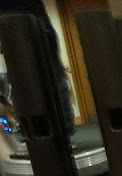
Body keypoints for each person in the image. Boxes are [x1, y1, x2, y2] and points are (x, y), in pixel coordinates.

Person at [0, 0, 76, 138]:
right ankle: (37, 134)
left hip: (33, 25)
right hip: (12, 28)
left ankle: (63, 132)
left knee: (52, 80)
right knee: (23, 85)